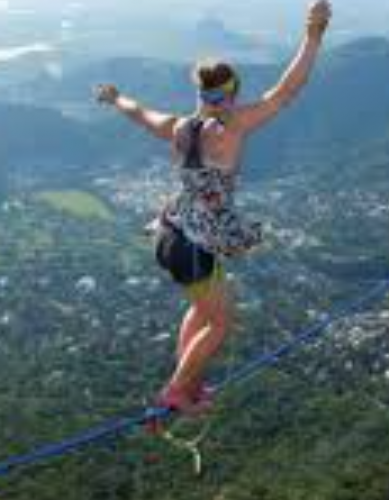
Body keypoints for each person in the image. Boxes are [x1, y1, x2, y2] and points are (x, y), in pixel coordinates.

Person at [96, 0, 332, 416]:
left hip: (171, 235)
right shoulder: (233, 126)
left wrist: (116, 98)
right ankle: (176, 392)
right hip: (193, 245)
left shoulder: (176, 127)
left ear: (200, 94)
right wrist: (312, 37)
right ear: (231, 93)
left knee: (201, 311)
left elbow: (138, 114)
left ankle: (187, 384)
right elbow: (287, 91)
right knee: (220, 323)